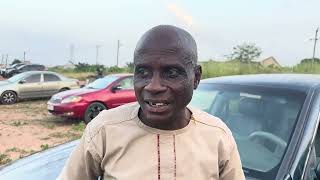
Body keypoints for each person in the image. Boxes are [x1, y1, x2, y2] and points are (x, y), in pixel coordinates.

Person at [58, 25, 245, 180]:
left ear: (195, 78)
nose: (153, 86)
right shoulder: (104, 129)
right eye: (143, 72)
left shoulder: (217, 136)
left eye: (171, 73)